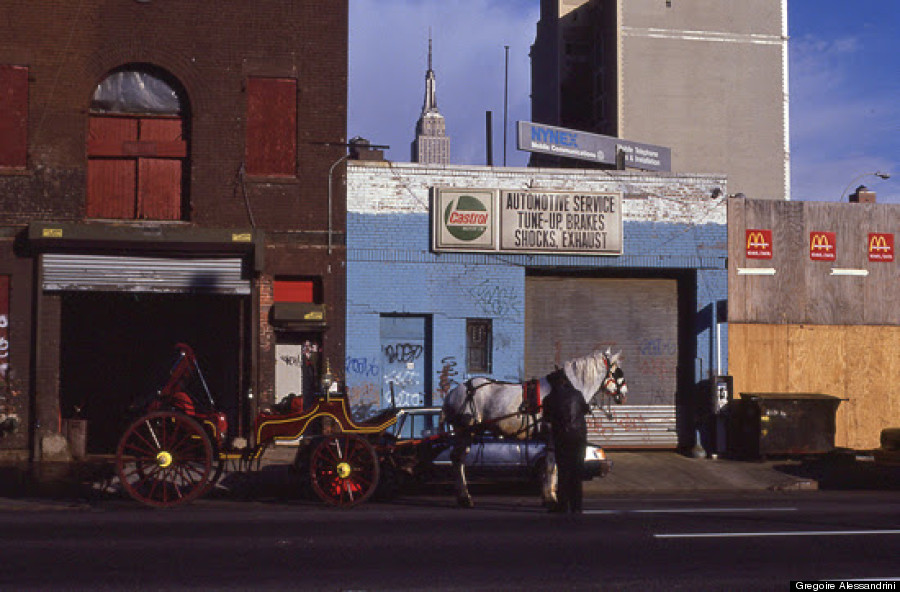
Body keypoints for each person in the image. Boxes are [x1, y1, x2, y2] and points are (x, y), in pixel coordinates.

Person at [542, 370, 591, 514]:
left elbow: (547, 420)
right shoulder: (578, 395)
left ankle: (563, 505)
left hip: (562, 439)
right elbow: (585, 409)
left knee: (563, 473)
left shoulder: (549, 399)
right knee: (577, 473)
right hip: (579, 439)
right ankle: (577, 506)